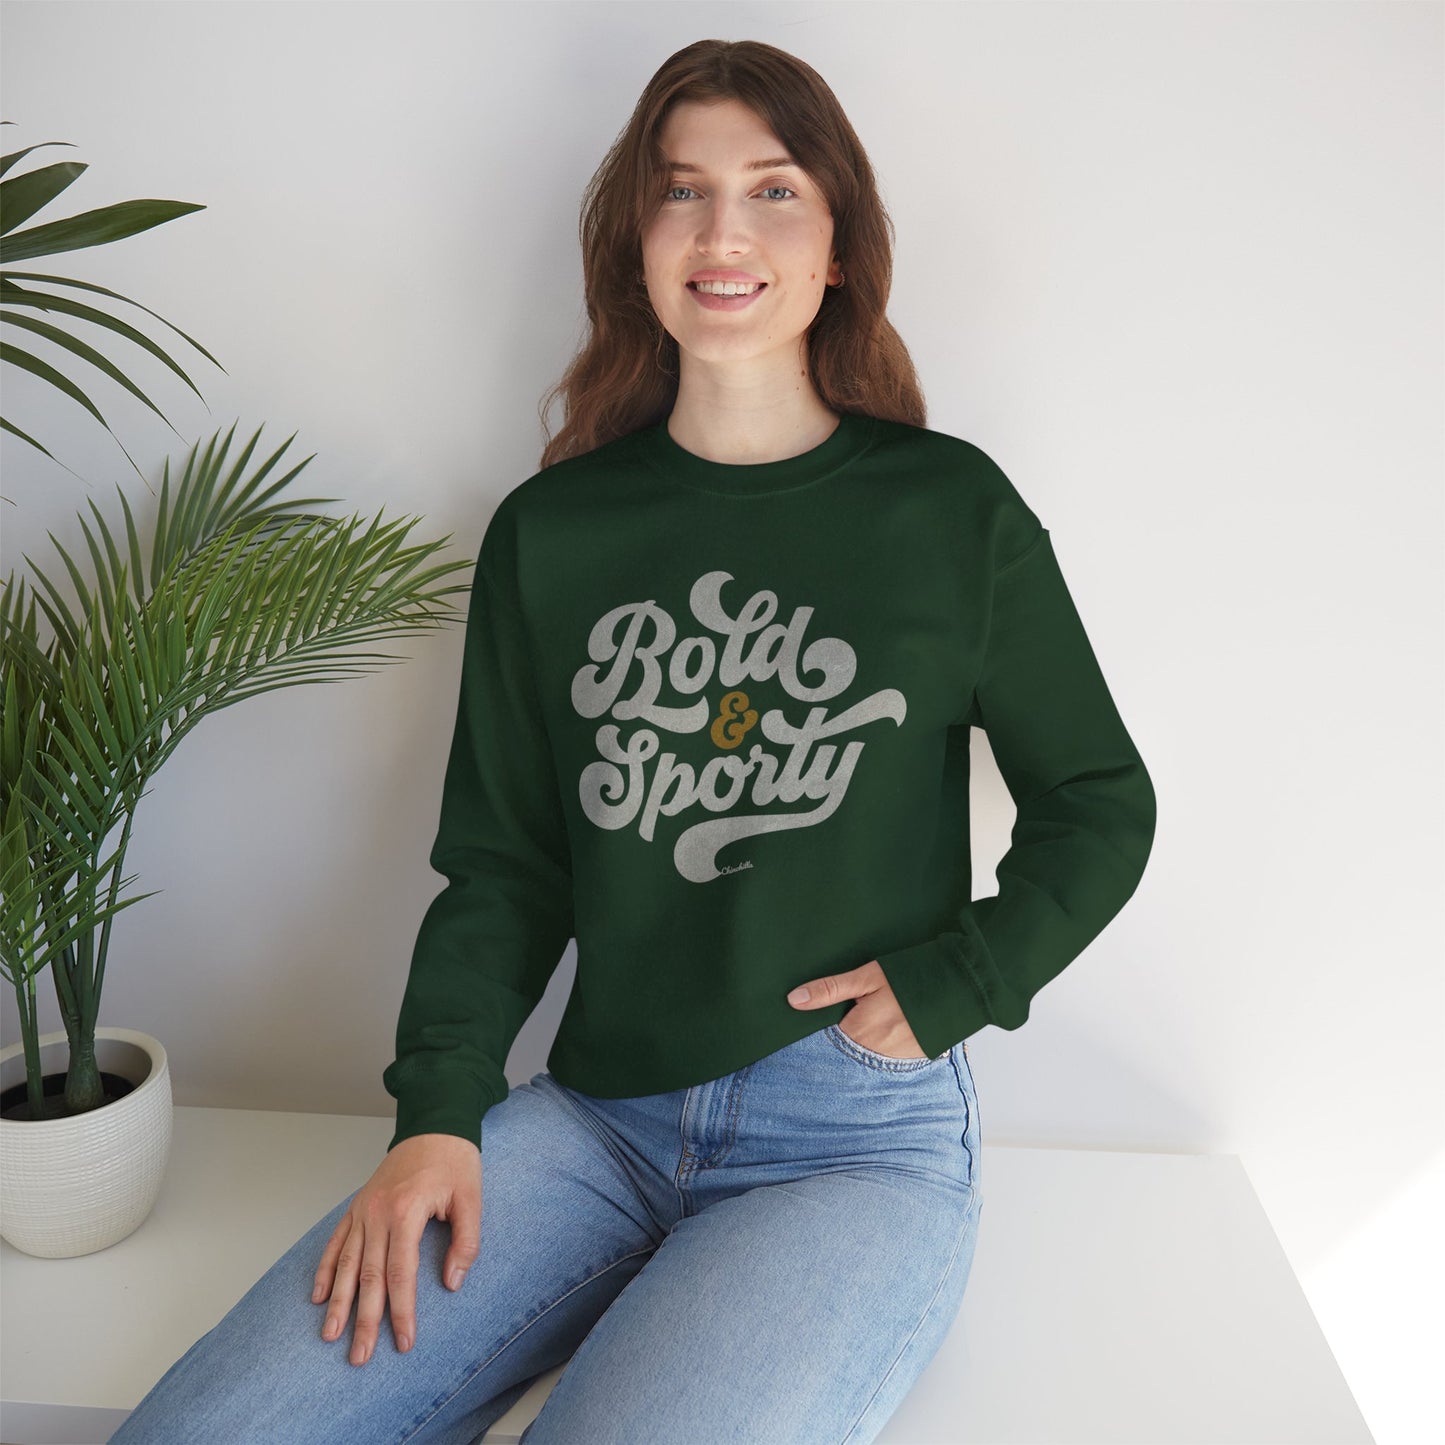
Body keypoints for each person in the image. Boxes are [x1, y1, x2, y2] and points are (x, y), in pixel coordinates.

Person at [109, 38, 1155, 1445]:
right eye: (681, 193)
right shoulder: (556, 532)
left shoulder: (945, 513)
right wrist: (438, 1110)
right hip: (593, 1117)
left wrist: (961, 974)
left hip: (847, 1138)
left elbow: (1097, 798)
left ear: (837, 243)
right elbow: (505, 866)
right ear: (637, 243)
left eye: (773, 191)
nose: (723, 232)